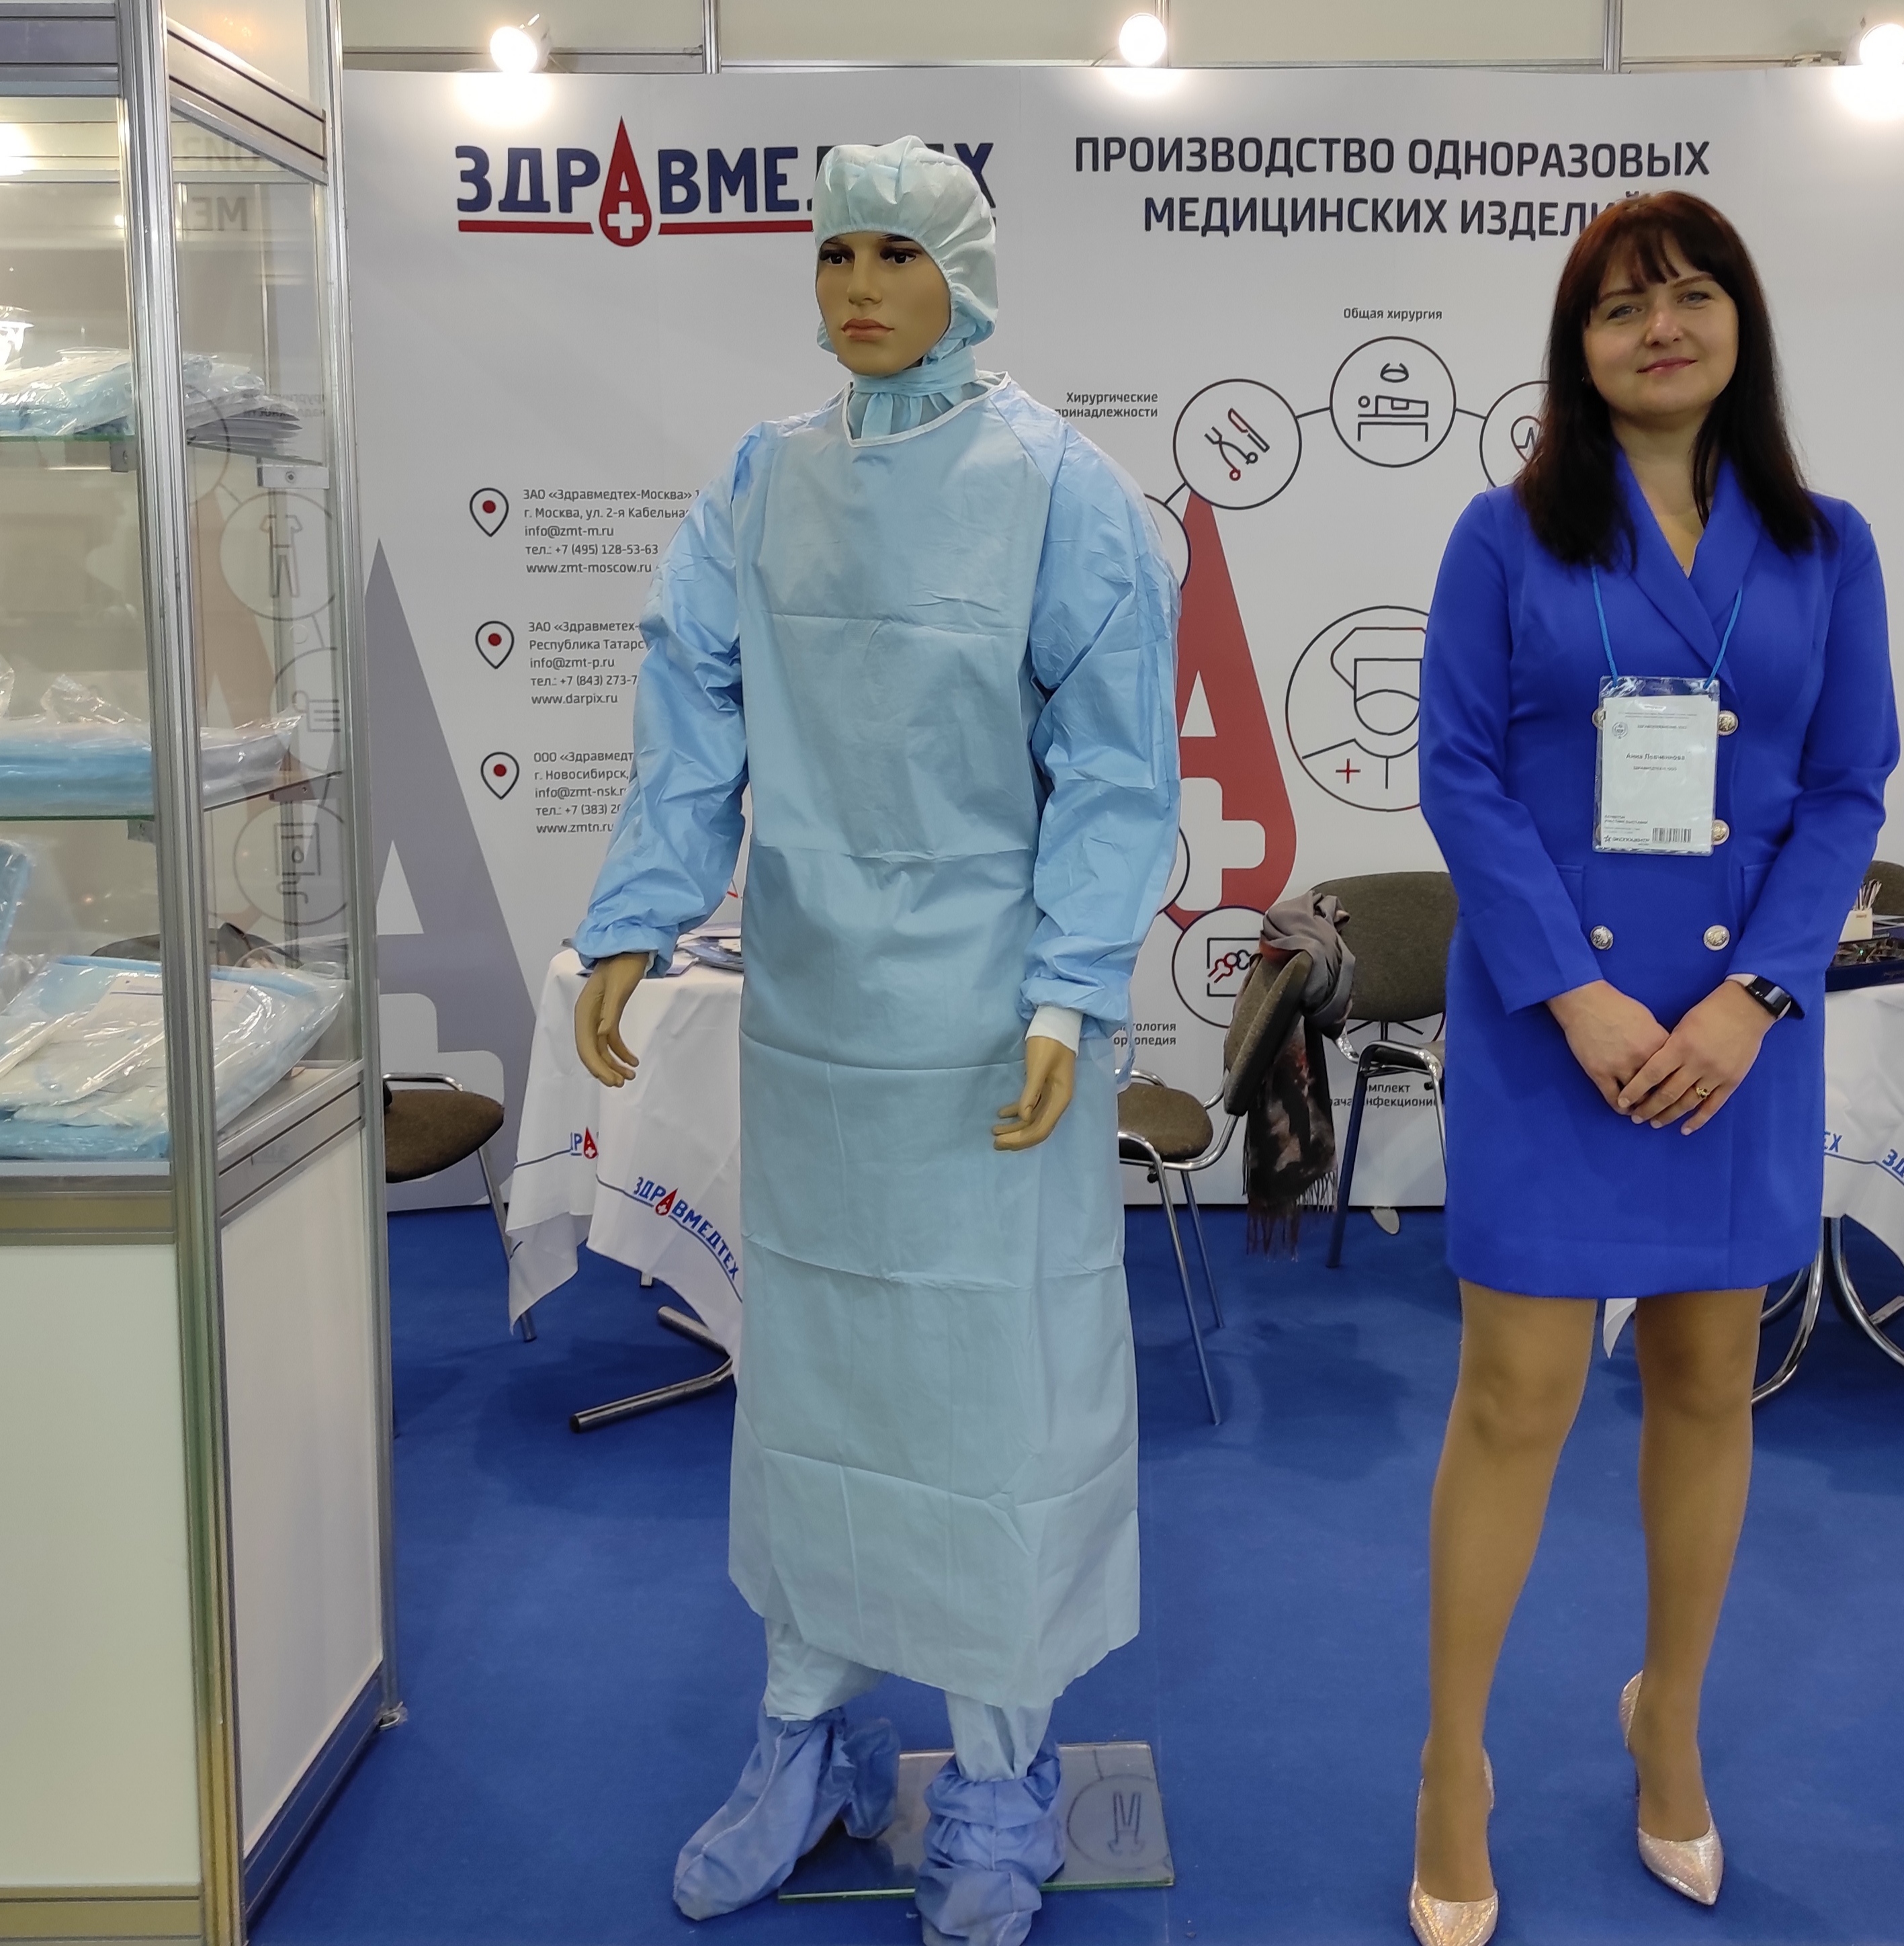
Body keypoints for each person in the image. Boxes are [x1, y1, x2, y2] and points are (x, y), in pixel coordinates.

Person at [569, 138, 1179, 1946]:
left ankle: (1000, 1775)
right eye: (833, 251)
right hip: (821, 1026)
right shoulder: (762, 483)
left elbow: (1116, 768)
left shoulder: (1054, 487)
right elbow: (691, 706)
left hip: (994, 1034)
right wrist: (636, 910)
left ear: (963, 275)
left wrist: (1069, 988)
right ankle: (804, 1739)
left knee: (992, 1396)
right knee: (817, 1389)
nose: (856, 286)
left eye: (895, 253)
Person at [1410, 192, 1898, 1943]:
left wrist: (1755, 997)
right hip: (1554, 1024)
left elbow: (1845, 788)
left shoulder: (1825, 545)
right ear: (1579, 348)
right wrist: (1575, 995)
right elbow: (1460, 773)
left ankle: (1666, 1716)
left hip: (1735, 1036)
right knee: (1515, 1397)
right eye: (1621, 308)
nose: (1660, 328)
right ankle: (1450, 1762)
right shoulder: (1504, 536)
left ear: (1739, 323)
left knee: (1707, 1378)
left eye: (1691, 295)